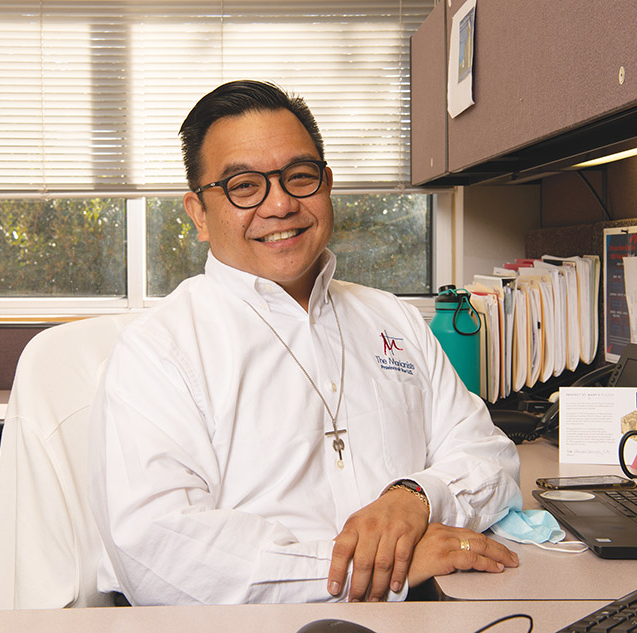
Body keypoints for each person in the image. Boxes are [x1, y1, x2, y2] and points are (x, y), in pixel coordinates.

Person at [88, 79, 522, 606]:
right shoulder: (158, 351)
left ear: (327, 184)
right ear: (199, 213)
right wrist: (382, 568)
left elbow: (489, 457)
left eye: (299, 177)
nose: (280, 205)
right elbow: (162, 554)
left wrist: (416, 498)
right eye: (244, 186)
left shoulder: (394, 319)